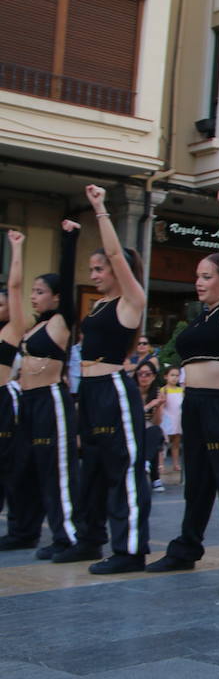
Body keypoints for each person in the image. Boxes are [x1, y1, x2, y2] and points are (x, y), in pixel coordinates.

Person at [145, 190, 219, 577]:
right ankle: (186, 547)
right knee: (197, 483)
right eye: (196, 277)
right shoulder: (201, 318)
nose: (198, 282)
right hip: (193, 403)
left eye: (206, 276)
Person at [78, 185, 153, 573]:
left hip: (112, 390)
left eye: (100, 268)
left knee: (123, 467)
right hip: (89, 390)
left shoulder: (131, 300)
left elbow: (113, 251)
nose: (94, 274)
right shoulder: (98, 306)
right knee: (92, 466)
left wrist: (100, 208)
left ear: (117, 269)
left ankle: (131, 550)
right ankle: (89, 538)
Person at [4, 220, 80, 558]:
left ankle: (67, 537)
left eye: (40, 292)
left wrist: (69, 238)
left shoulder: (62, 321)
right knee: (23, 467)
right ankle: (23, 531)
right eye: (33, 292)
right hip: (28, 402)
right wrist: (16, 249)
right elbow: (15, 286)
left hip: (51, 399)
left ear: (57, 297)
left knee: (55, 469)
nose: (34, 297)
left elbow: (65, 271)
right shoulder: (31, 328)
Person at [0, 235, 23, 521]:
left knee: (5, 461)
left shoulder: (12, 331)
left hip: (4, 398)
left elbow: (15, 286)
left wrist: (16, 248)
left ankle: (18, 519)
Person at [136, 362, 165, 492]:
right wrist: (149, 405)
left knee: (156, 431)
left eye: (147, 374)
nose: (143, 377)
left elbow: (157, 422)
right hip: (131, 429)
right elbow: (132, 417)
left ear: (153, 376)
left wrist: (158, 406)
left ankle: (146, 463)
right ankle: (155, 479)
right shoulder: (131, 391)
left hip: (147, 430)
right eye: (140, 374)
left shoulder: (157, 392)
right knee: (151, 436)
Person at [162, 365, 184, 477]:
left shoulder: (181, 390)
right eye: (172, 375)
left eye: (177, 375)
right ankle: (160, 465)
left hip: (178, 418)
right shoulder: (163, 390)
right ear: (166, 376)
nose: (175, 378)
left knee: (176, 443)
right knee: (163, 443)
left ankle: (176, 464)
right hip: (167, 418)